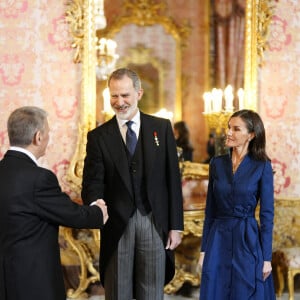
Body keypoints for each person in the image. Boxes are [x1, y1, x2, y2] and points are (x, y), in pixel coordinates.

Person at [81, 68, 184, 300]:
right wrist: (96, 202)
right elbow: (91, 183)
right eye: (114, 96)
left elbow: (172, 181)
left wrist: (176, 226)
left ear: (139, 93)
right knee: (118, 291)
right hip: (117, 225)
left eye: (125, 95)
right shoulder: (98, 137)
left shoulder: (162, 128)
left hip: (153, 221)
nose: (120, 102)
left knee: (151, 291)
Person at [0, 106, 109, 300]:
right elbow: (73, 214)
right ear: (38, 137)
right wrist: (99, 212)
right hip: (32, 282)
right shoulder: (39, 178)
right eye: (48, 133)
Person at [198, 109, 275, 299]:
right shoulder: (217, 163)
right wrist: (203, 250)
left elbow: (267, 215)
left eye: (236, 129)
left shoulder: (262, 165)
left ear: (251, 134)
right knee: (217, 291)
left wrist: (266, 258)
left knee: (245, 290)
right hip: (218, 239)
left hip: (247, 239)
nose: (229, 133)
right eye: (229, 128)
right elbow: (210, 211)